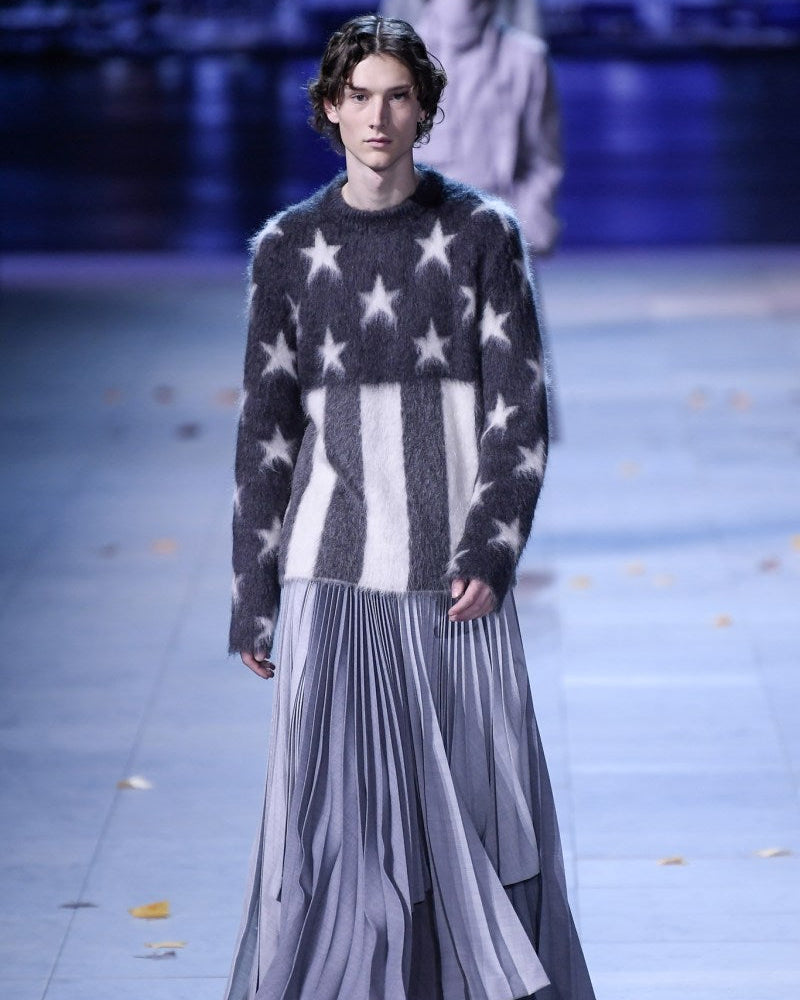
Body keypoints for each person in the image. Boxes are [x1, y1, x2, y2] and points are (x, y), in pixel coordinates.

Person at [224, 13, 595, 1000]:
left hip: (449, 577)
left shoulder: (481, 236)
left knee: (477, 812)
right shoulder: (289, 248)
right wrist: (252, 592)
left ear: (425, 108)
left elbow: (521, 407)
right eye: (359, 96)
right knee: (332, 828)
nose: (377, 116)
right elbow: (267, 432)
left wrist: (492, 542)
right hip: (328, 572)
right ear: (329, 109)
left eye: (397, 96)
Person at [381, 0, 562, 255]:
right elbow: (378, 152)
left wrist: (522, 230)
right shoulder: (395, 59)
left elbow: (542, 162)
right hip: (416, 234)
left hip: (496, 233)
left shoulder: (526, 60)